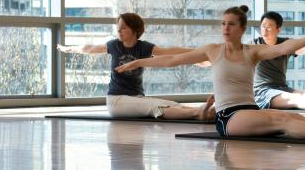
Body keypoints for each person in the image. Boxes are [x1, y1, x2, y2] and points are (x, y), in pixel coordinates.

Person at [115, 5, 305, 141]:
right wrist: (139, 63)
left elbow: (284, 47)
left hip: (248, 111)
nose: (225, 28)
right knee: (281, 120)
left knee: (292, 117)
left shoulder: (252, 52)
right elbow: (173, 60)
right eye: (223, 24)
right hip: (228, 117)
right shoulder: (213, 50)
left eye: (231, 24)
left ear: (241, 29)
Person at [57, 12, 215, 120]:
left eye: (124, 27)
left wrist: (199, 55)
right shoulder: (114, 46)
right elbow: (89, 48)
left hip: (137, 98)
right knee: (155, 106)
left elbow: (171, 52)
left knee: (171, 104)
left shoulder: (143, 47)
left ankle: (204, 112)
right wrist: (68, 48)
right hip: (117, 101)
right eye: (118, 27)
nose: (119, 30)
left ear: (135, 30)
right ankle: (198, 112)